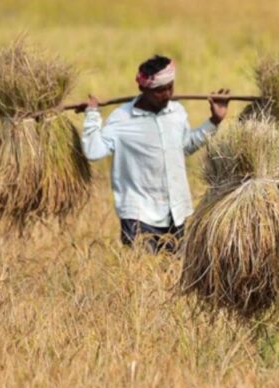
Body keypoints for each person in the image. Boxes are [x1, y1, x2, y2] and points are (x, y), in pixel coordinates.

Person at [81, 55, 229, 253]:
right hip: (139, 216)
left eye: (170, 87)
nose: (167, 94)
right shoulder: (122, 118)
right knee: (141, 278)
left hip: (176, 213)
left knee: (173, 277)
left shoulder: (177, 113)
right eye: (159, 90)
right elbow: (93, 151)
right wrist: (92, 115)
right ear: (143, 88)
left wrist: (214, 121)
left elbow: (184, 147)